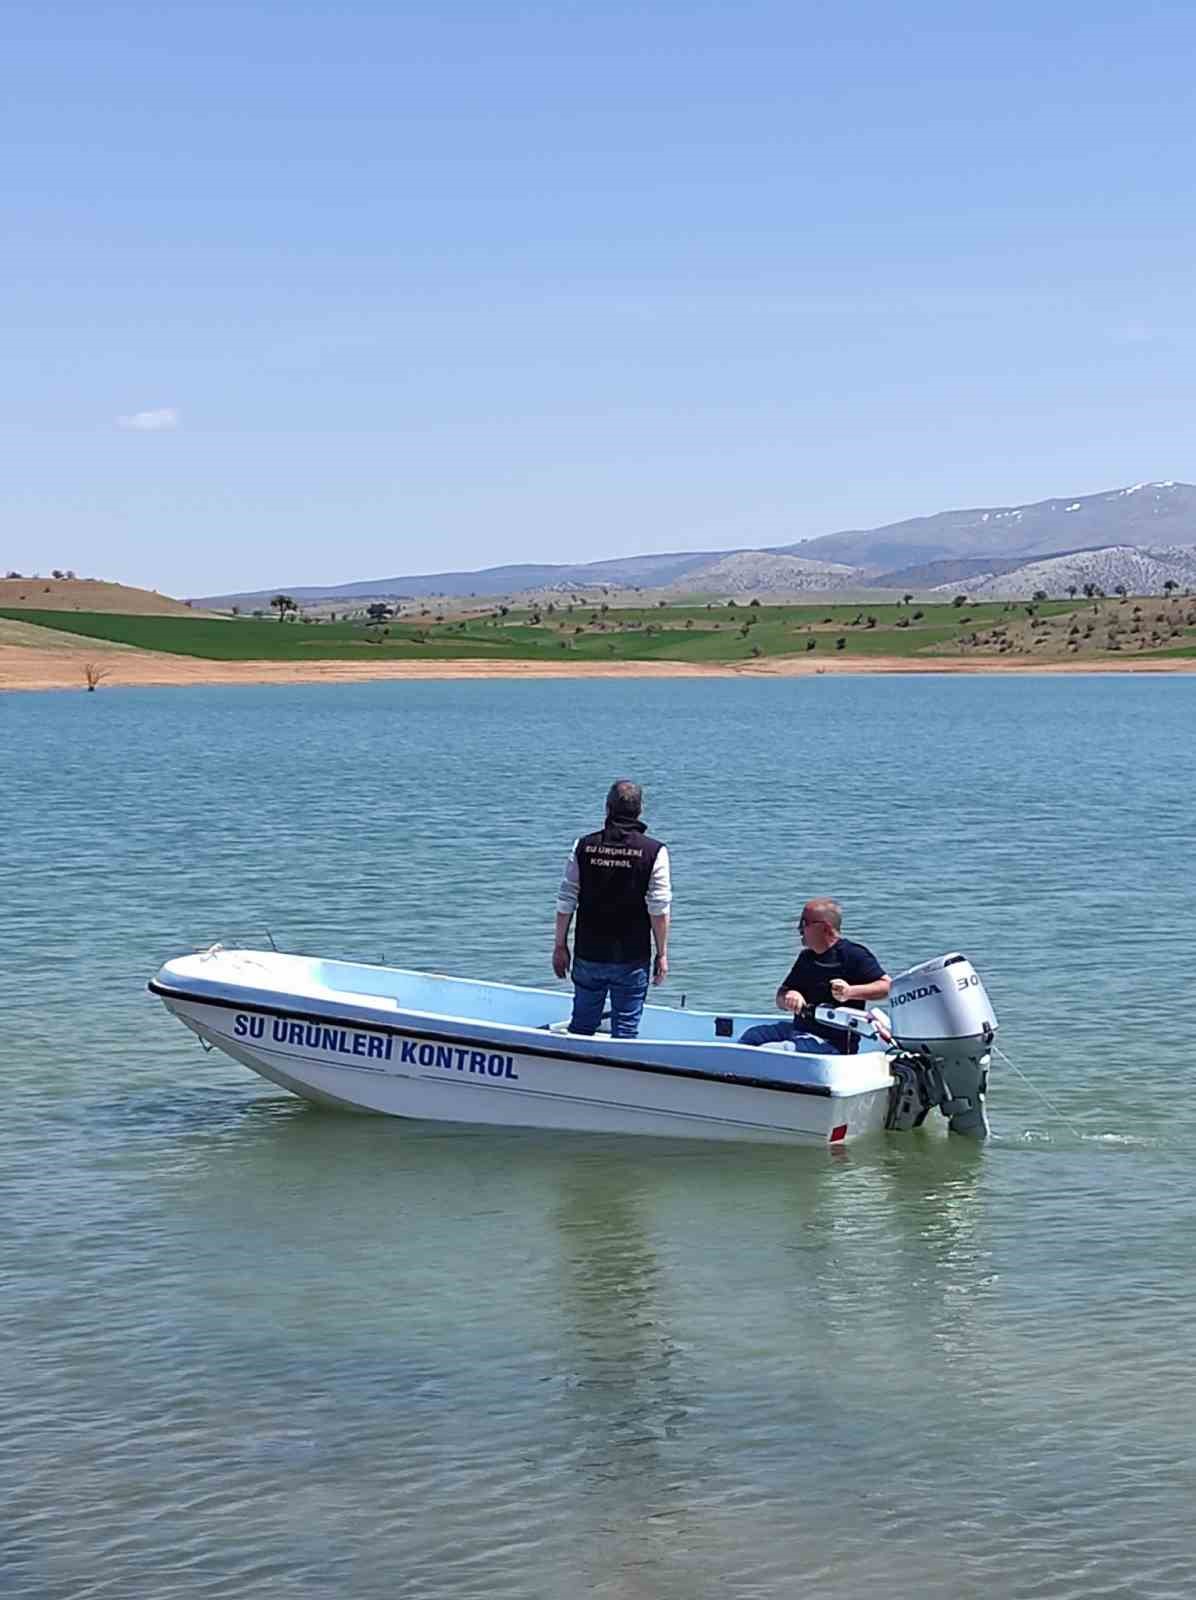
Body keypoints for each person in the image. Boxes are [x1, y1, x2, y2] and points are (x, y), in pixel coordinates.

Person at [553, 780, 671, 1038]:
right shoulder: (654, 851)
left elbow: (566, 899)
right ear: (640, 811)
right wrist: (662, 953)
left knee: (581, 1030)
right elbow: (659, 908)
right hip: (632, 956)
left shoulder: (583, 846)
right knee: (626, 1034)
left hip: (589, 952)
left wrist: (560, 945)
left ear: (607, 809)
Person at [739, 899, 890, 1052]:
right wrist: (790, 996)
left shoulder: (854, 955)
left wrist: (850, 992)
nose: (799, 928)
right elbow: (780, 996)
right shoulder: (806, 958)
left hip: (831, 1043)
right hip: (799, 1031)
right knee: (752, 1036)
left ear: (825, 928)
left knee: (772, 1050)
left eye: (804, 923)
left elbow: (887, 986)